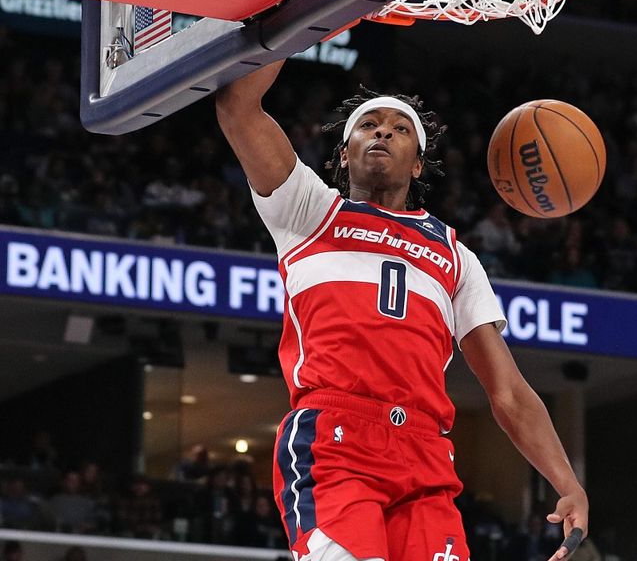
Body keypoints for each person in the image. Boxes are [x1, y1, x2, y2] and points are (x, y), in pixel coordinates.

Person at [216, 59, 589, 561]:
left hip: (424, 454)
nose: (383, 133)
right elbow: (238, 106)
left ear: (417, 163)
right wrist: (299, 16)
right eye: (368, 126)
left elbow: (508, 391)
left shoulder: (456, 256)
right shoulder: (306, 210)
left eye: (399, 129)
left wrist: (568, 482)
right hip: (335, 441)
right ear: (343, 157)